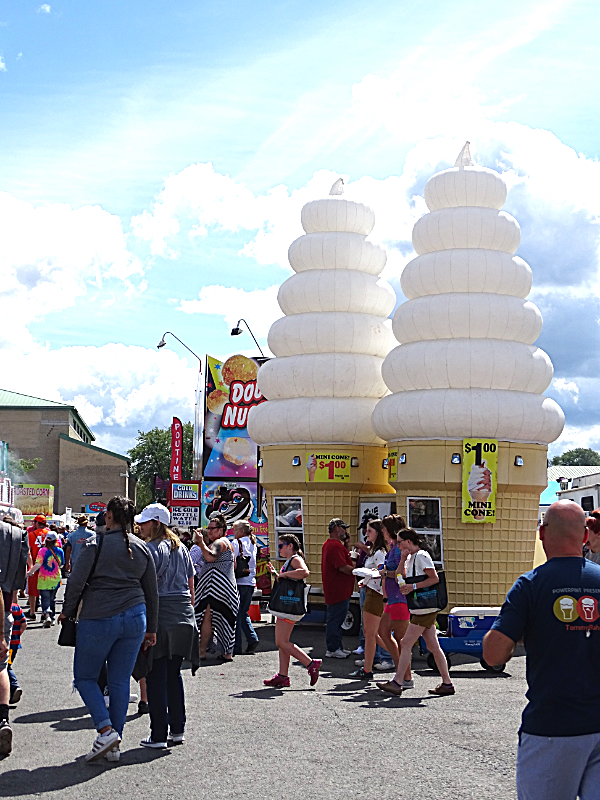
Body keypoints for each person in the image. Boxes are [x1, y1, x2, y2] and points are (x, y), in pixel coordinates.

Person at [483, 500, 600, 800]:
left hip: (553, 727)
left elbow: (493, 655)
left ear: (541, 533)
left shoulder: (530, 586)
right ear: (585, 536)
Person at [59, 496, 159, 763]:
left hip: (99, 615)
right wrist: (153, 628)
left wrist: (67, 611)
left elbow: (76, 581)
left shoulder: (96, 543)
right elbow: (152, 592)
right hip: (136, 617)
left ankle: (106, 730)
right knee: (119, 680)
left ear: (109, 516)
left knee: (85, 678)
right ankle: (114, 744)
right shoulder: (142, 547)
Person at [135, 503, 199, 749]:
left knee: (155, 676)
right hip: (184, 617)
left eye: (144, 522)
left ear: (157, 523)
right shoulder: (182, 547)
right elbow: (190, 585)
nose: (140, 526)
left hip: (160, 617)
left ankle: (159, 734)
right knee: (173, 675)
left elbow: (146, 587)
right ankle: (178, 729)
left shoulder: (151, 549)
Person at [377, 528, 453, 697]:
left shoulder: (423, 556)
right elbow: (399, 575)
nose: (397, 545)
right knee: (433, 646)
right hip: (420, 607)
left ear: (408, 542)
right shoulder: (411, 558)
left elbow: (434, 578)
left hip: (425, 607)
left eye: (400, 542)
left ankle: (398, 682)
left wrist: (413, 586)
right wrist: (403, 558)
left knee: (405, 643)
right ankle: (447, 683)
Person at [264, 534, 321, 688]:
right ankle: (283, 675)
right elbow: (288, 580)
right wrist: (277, 575)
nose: (279, 549)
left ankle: (310, 663)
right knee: (282, 642)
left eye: (281, 545)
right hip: (287, 605)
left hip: (290, 606)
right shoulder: (290, 561)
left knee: (281, 641)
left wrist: (284, 574)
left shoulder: (295, 559)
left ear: (290, 546)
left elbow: (304, 572)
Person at [0, 515, 29, 754]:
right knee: (1, 666)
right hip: (7, 608)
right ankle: (2, 720)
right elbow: (21, 574)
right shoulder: (18, 535)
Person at [194, 515, 239, 662]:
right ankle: (227, 652)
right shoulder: (229, 543)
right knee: (225, 618)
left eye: (212, 528)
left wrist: (201, 544)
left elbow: (210, 557)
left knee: (207, 616)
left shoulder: (219, 543)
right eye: (208, 528)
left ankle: (201, 651)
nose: (209, 531)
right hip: (227, 587)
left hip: (214, 588)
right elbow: (234, 565)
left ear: (221, 530)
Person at [349, 519, 388, 680]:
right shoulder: (373, 551)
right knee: (370, 632)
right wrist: (364, 580)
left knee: (372, 633)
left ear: (377, 533)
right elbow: (373, 571)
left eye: (369, 531)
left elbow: (381, 572)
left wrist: (369, 577)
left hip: (376, 594)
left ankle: (395, 657)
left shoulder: (379, 552)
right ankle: (369, 665)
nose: (366, 533)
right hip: (370, 589)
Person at [378, 515, 412, 687]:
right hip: (392, 598)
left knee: (401, 639)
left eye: (384, 529)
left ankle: (405, 677)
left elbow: (403, 573)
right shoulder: (393, 547)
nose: (382, 532)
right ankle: (401, 672)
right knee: (383, 632)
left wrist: (386, 573)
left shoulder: (398, 549)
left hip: (400, 597)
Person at [321, 518, 354, 658]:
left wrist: (347, 545)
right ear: (336, 528)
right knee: (335, 620)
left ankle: (337, 646)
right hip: (338, 589)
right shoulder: (334, 546)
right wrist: (358, 570)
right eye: (343, 528)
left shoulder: (333, 545)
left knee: (337, 619)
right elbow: (342, 567)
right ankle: (333, 648)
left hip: (337, 589)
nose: (345, 531)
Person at [232, 520, 260, 655]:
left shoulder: (236, 543)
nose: (233, 532)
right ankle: (251, 637)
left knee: (236, 614)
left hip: (238, 581)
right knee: (243, 612)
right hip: (250, 582)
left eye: (235, 529)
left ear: (242, 531)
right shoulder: (253, 543)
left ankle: (236, 646)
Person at [26, 531, 64, 627]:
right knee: (52, 599)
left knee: (45, 598)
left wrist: (30, 572)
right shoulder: (60, 551)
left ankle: (47, 615)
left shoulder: (42, 550)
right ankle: (52, 618)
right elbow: (62, 564)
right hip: (56, 579)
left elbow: (38, 564)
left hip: (44, 579)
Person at [25, 514, 49, 620]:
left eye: (34, 522)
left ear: (38, 523)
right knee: (46, 590)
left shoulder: (30, 535)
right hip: (48, 567)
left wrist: (30, 567)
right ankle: (45, 612)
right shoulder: (50, 534)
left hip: (35, 565)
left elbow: (28, 552)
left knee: (32, 590)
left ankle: (32, 611)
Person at [8, 597, 26, 704]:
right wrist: (18, 635)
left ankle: (14, 686)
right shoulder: (16, 607)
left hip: (5, 643)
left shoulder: (5, 609)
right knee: (7, 664)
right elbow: (24, 624)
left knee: (5, 666)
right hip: (14, 644)